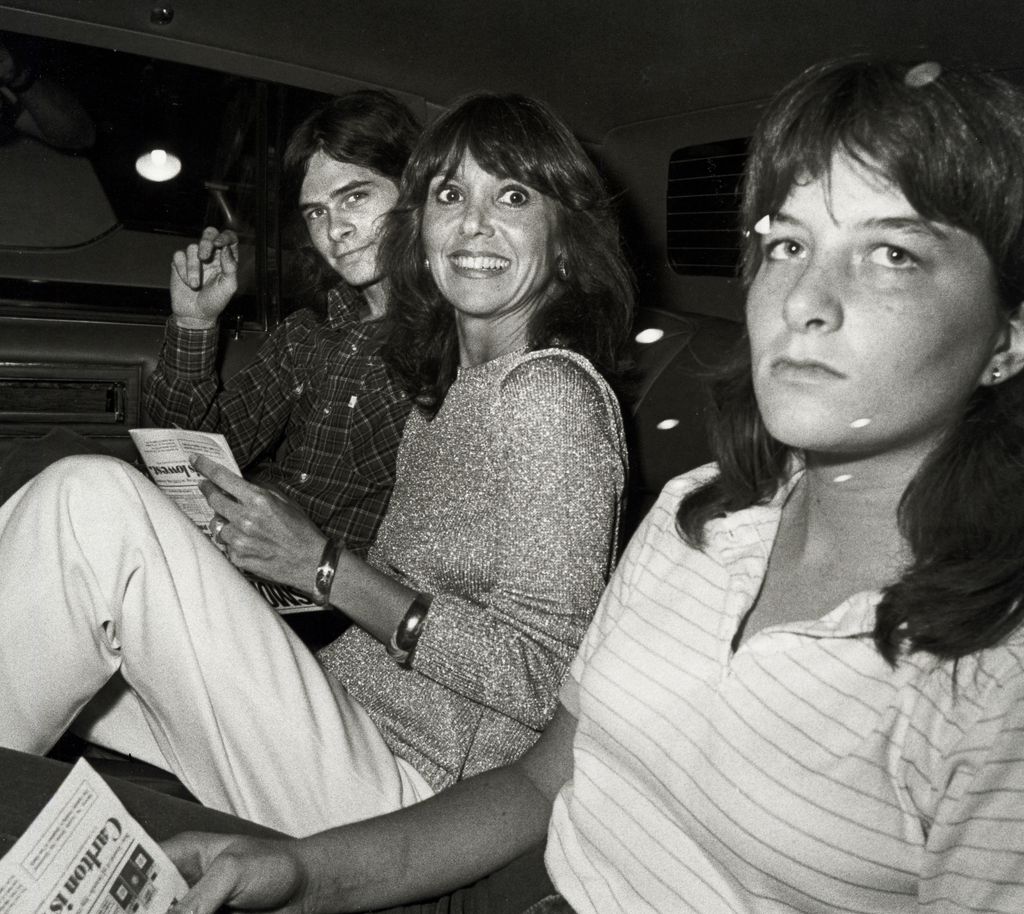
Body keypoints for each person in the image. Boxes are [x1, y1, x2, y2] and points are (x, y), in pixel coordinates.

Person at [161, 59, 1024, 914]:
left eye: (893, 254)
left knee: (93, 509)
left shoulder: (994, 682)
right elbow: (546, 782)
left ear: (1008, 341)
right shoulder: (699, 520)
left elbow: (526, 684)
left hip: (409, 764)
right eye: (789, 245)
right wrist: (304, 877)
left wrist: (323, 568)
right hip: (453, 822)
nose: (807, 300)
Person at [0, 92, 632, 838]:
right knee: (54, 508)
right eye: (452, 194)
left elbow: (542, 681)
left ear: (563, 235)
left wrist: (323, 565)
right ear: (422, 228)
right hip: (338, 707)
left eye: (514, 196)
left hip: (409, 786)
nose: (472, 225)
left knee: (88, 503)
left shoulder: (547, 395)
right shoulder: (453, 390)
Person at [142, 89, 421, 559]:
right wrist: (194, 323)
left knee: (79, 488)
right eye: (317, 212)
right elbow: (195, 452)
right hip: (233, 550)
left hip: (333, 600)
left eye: (355, 197)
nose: (335, 230)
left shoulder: (456, 341)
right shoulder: (304, 336)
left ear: (413, 193)